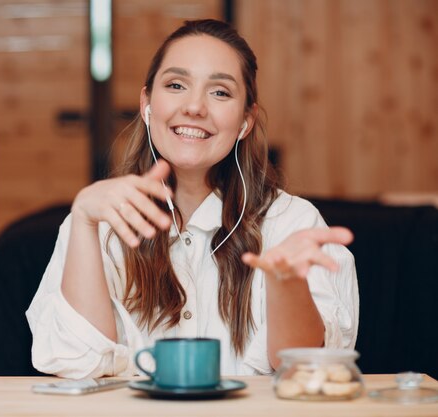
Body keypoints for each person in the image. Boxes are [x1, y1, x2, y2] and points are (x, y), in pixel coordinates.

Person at [26, 19, 358, 378]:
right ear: (146, 103)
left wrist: (287, 284)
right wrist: (84, 220)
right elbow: (78, 362)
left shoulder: (293, 223)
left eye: (220, 92)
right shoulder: (96, 221)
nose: (195, 106)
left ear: (246, 121)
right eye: (176, 85)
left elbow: (307, 371)